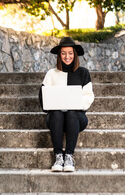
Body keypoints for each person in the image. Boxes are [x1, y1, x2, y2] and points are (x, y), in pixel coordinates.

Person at [39, 37, 94, 172]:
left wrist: (74, 104)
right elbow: (42, 96)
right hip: (55, 120)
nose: (67, 56)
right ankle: (59, 156)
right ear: (59, 55)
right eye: (63, 53)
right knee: (57, 113)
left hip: (76, 119)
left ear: (74, 55)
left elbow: (88, 96)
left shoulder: (83, 73)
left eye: (70, 53)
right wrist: (52, 105)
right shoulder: (51, 74)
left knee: (71, 112)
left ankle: (69, 156)